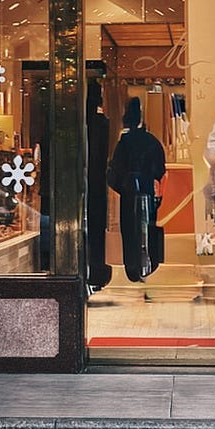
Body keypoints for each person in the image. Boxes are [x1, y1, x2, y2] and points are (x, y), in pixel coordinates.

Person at [106, 97, 166, 282]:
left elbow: (114, 171)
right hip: (146, 188)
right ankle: (147, 265)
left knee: (130, 230)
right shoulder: (151, 141)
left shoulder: (123, 143)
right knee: (147, 226)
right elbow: (159, 169)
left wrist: (121, 185)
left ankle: (132, 268)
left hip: (128, 191)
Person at [85, 78, 112, 291]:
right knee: (96, 230)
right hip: (98, 184)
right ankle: (95, 271)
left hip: (81, 183)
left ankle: (89, 271)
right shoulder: (102, 123)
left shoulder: (75, 123)